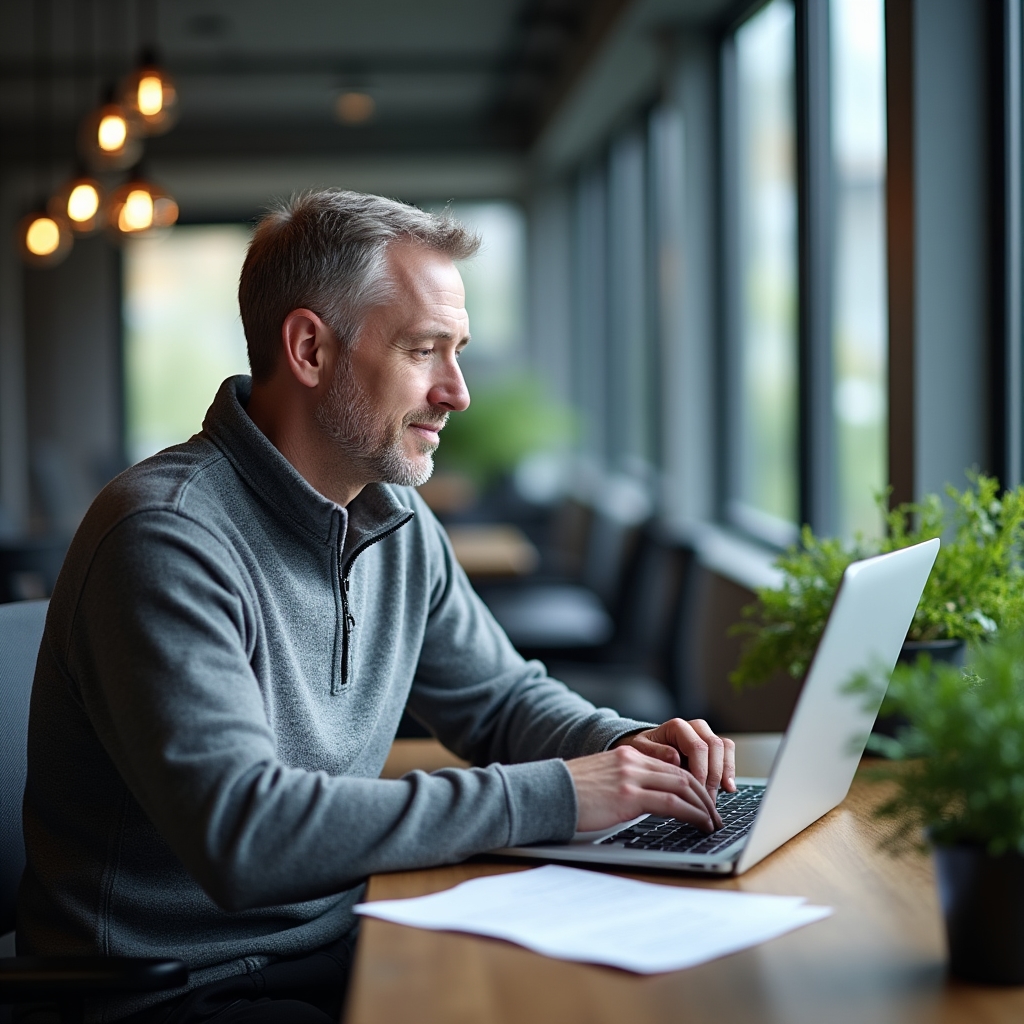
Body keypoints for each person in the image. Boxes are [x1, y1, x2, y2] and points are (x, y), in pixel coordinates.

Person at [17, 190, 736, 1023]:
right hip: (176, 992)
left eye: (457, 351)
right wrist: (563, 794)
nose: (458, 392)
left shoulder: (394, 521)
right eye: (425, 349)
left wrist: (623, 750)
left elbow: (499, 699)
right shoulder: (165, 539)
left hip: (337, 939)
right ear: (311, 349)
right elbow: (246, 836)